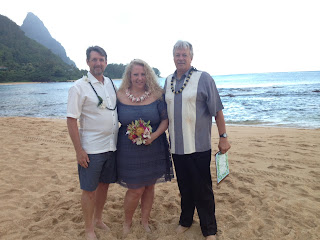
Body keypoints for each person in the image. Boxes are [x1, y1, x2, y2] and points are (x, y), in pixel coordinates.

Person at [164, 40, 231, 240]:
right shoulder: (167, 81)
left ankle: (209, 228)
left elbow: (217, 110)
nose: (181, 58)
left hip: (199, 146)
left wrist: (223, 137)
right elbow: (163, 113)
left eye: (184, 54)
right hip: (176, 146)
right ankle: (185, 220)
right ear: (173, 57)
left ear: (191, 57)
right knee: (184, 188)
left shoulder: (204, 78)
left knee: (203, 189)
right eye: (177, 54)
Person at [116, 59, 173, 236]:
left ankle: (145, 221)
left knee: (149, 186)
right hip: (128, 149)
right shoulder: (119, 96)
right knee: (135, 189)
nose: (139, 78)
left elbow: (165, 120)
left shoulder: (157, 94)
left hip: (153, 147)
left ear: (148, 75)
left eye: (143, 74)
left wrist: (153, 136)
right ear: (129, 76)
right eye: (136, 74)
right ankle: (127, 222)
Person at [67, 46, 118, 240]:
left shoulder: (111, 83)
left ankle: (98, 219)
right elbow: (71, 119)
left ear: (106, 62)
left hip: (111, 147)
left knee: (104, 186)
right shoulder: (78, 87)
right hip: (91, 149)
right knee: (89, 190)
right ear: (87, 62)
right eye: (94, 60)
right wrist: (79, 150)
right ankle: (89, 229)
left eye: (101, 59)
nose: (98, 63)